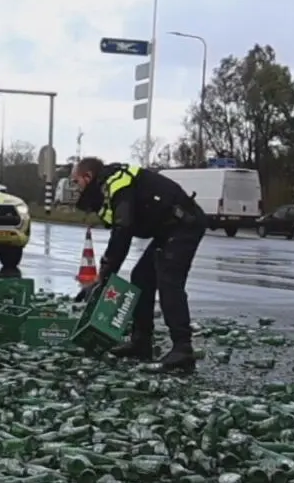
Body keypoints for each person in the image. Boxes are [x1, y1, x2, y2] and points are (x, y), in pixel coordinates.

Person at [71, 157, 207, 372]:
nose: (75, 188)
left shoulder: (117, 185)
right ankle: (141, 342)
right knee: (141, 277)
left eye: (76, 182)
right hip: (168, 228)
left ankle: (183, 349)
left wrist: (103, 276)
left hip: (184, 225)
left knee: (169, 281)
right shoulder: (109, 186)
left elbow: (122, 231)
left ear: (88, 177)